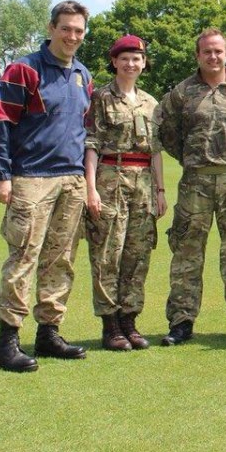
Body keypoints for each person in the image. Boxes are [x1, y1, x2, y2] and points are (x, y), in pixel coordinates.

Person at [0, 0, 93, 373]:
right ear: (51, 28)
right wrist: (2, 175)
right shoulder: (24, 70)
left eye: (79, 30)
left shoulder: (82, 74)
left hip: (71, 179)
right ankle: (7, 342)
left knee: (61, 259)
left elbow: (83, 128)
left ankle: (49, 333)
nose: (72, 36)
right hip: (31, 178)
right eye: (66, 28)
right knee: (23, 257)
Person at [155, 29, 226, 344]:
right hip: (195, 182)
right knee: (187, 253)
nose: (213, 56)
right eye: (207, 52)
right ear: (198, 56)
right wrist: (188, 156)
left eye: (218, 51)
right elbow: (166, 128)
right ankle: (181, 322)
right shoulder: (182, 92)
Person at [83, 35, 167, 351]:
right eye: (125, 58)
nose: (131, 64)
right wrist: (90, 189)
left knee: (138, 251)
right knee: (108, 252)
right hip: (109, 176)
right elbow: (91, 144)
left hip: (143, 181)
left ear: (144, 63)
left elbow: (156, 151)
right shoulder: (100, 97)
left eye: (137, 59)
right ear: (115, 62)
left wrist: (160, 190)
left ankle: (130, 320)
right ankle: (110, 324)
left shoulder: (150, 102)